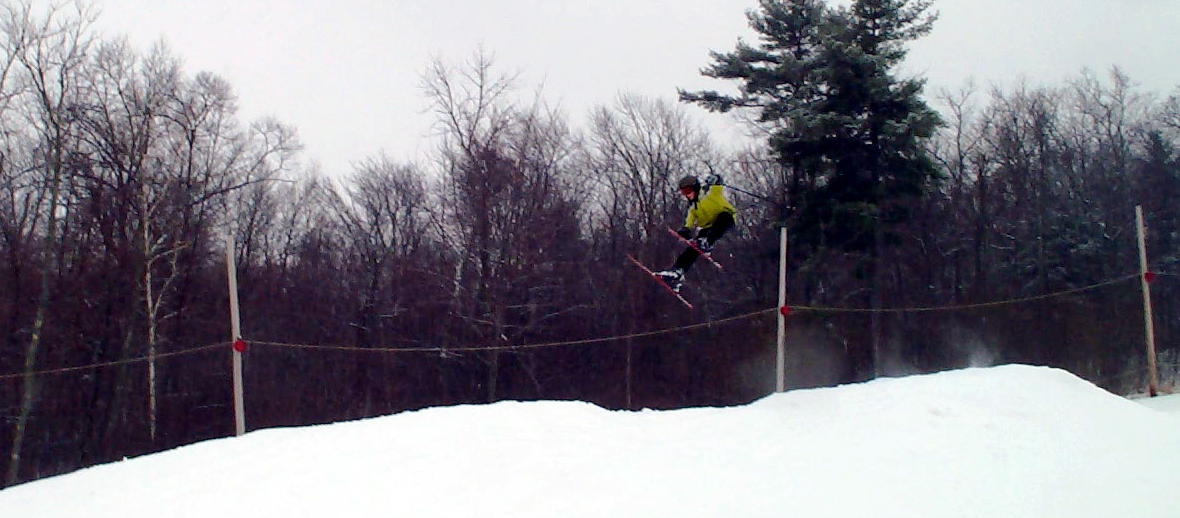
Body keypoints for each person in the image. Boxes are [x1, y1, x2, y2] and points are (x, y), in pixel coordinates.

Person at [655, 174, 737, 292]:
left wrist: (716, 179)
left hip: (725, 220)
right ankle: (677, 271)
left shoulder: (709, 193)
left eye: (688, 191)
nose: (687, 195)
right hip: (708, 228)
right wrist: (686, 230)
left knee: (723, 218)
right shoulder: (693, 207)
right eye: (684, 192)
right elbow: (689, 221)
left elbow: (718, 185)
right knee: (693, 248)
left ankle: (708, 243)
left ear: (696, 188)